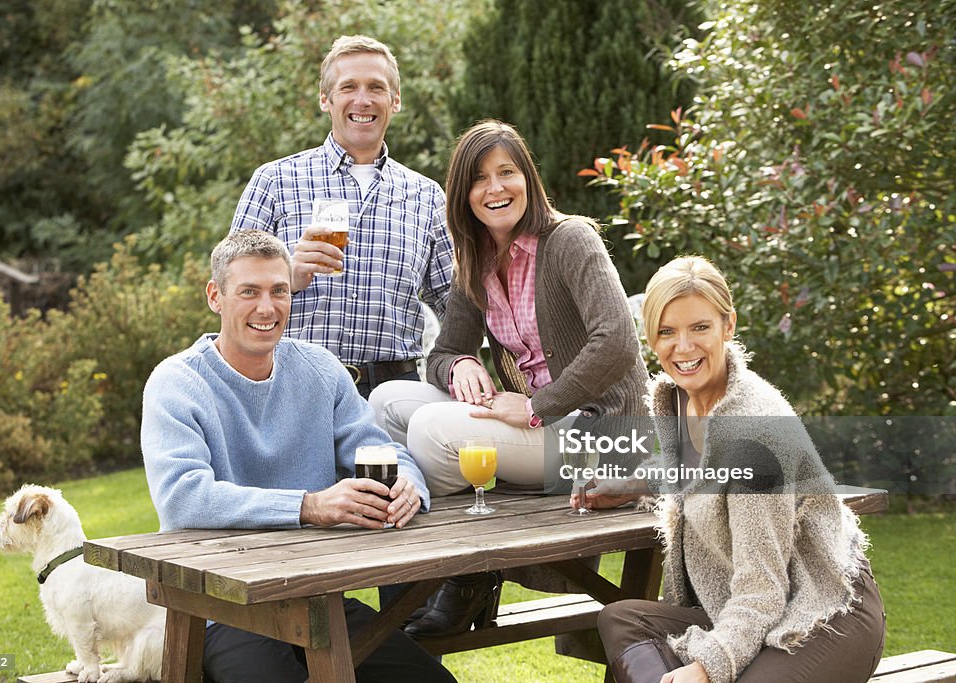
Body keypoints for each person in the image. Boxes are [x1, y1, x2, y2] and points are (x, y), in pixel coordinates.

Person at [368, 120, 649, 638]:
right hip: (532, 421)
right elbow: (446, 349)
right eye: (479, 179)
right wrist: (461, 365)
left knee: (432, 428)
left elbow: (616, 341)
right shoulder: (473, 259)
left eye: (507, 173)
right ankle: (435, 564)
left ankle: (466, 578)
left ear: (528, 180)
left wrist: (538, 404)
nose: (495, 188)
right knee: (387, 400)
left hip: (598, 432)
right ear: (463, 195)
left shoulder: (570, 240)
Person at [140, 230, 456, 683]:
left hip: (315, 598)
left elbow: (379, 446)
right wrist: (309, 506)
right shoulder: (176, 382)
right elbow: (183, 497)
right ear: (216, 296)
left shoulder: (318, 368)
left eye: (279, 291)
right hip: (221, 605)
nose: (267, 308)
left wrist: (409, 484)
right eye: (249, 292)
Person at [583, 256, 885, 683]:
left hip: (820, 614)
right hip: (739, 605)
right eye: (667, 331)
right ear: (650, 337)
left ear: (729, 326)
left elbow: (762, 589)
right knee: (622, 619)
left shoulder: (754, 435)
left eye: (699, 327)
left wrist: (707, 667)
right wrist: (632, 484)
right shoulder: (682, 399)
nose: (682, 347)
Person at [230, 34, 453, 399]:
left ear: (395, 100)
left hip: (394, 394)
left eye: (376, 88)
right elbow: (227, 290)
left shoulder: (427, 197)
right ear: (325, 99)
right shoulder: (275, 181)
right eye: (348, 86)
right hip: (289, 387)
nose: (362, 100)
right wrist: (287, 276)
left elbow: (456, 305)